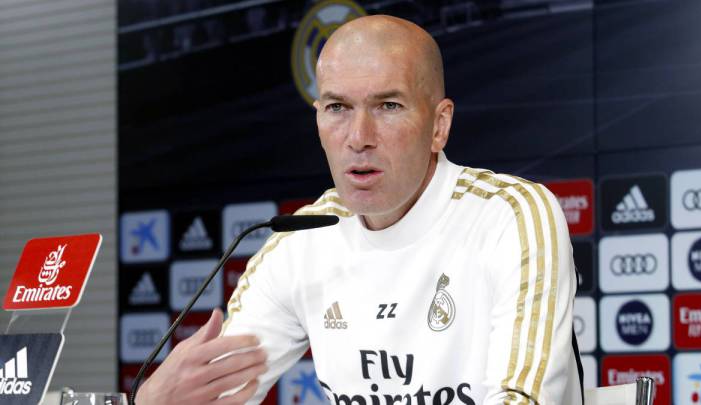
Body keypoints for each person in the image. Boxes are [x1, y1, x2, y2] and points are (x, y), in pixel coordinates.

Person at [137, 15, 582, 405]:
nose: (358, 138)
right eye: (337, 108)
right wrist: (149, 402)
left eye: (388, 106)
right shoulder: (300, 241)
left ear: (439, 125)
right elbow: (216, 397)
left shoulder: (511, 216)